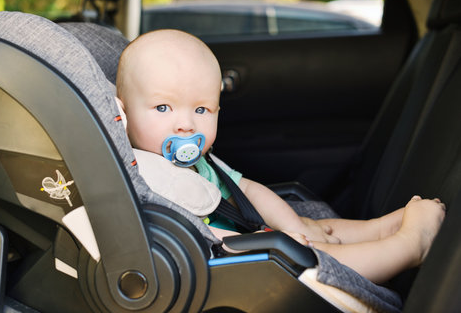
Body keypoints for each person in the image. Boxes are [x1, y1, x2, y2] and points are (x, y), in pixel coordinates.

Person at [115, 29, 446, 284]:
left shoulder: (196, 163)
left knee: (317, 228)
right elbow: (186, 236)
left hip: (250, 233)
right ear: (122, 113)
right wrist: (272, 241)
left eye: (201, 109)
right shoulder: (143, 178)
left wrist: (293, 226)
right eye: (162, 108)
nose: (186, 125)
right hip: (230, 262)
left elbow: (249, 191)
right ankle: (409, 246)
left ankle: (378, 229)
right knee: (319, 253)